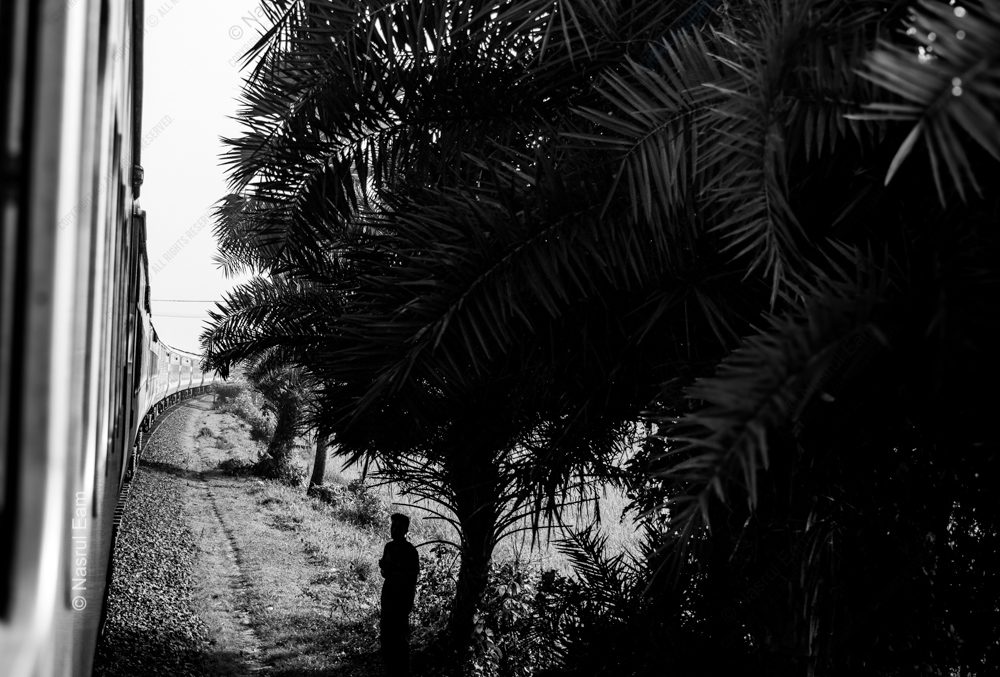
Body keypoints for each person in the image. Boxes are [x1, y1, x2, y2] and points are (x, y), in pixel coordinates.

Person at [379, 513, 420, 675]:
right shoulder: (389, 547)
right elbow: (386, 573)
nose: (394, 530)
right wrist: (386, 568)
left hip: (401, 599)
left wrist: (390, 568)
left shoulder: (410, 551)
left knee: (400, 639)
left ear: (405, 530)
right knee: (387, 636)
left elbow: (410, 578)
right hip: (389, 595)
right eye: (392, 526)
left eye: (397, 527)